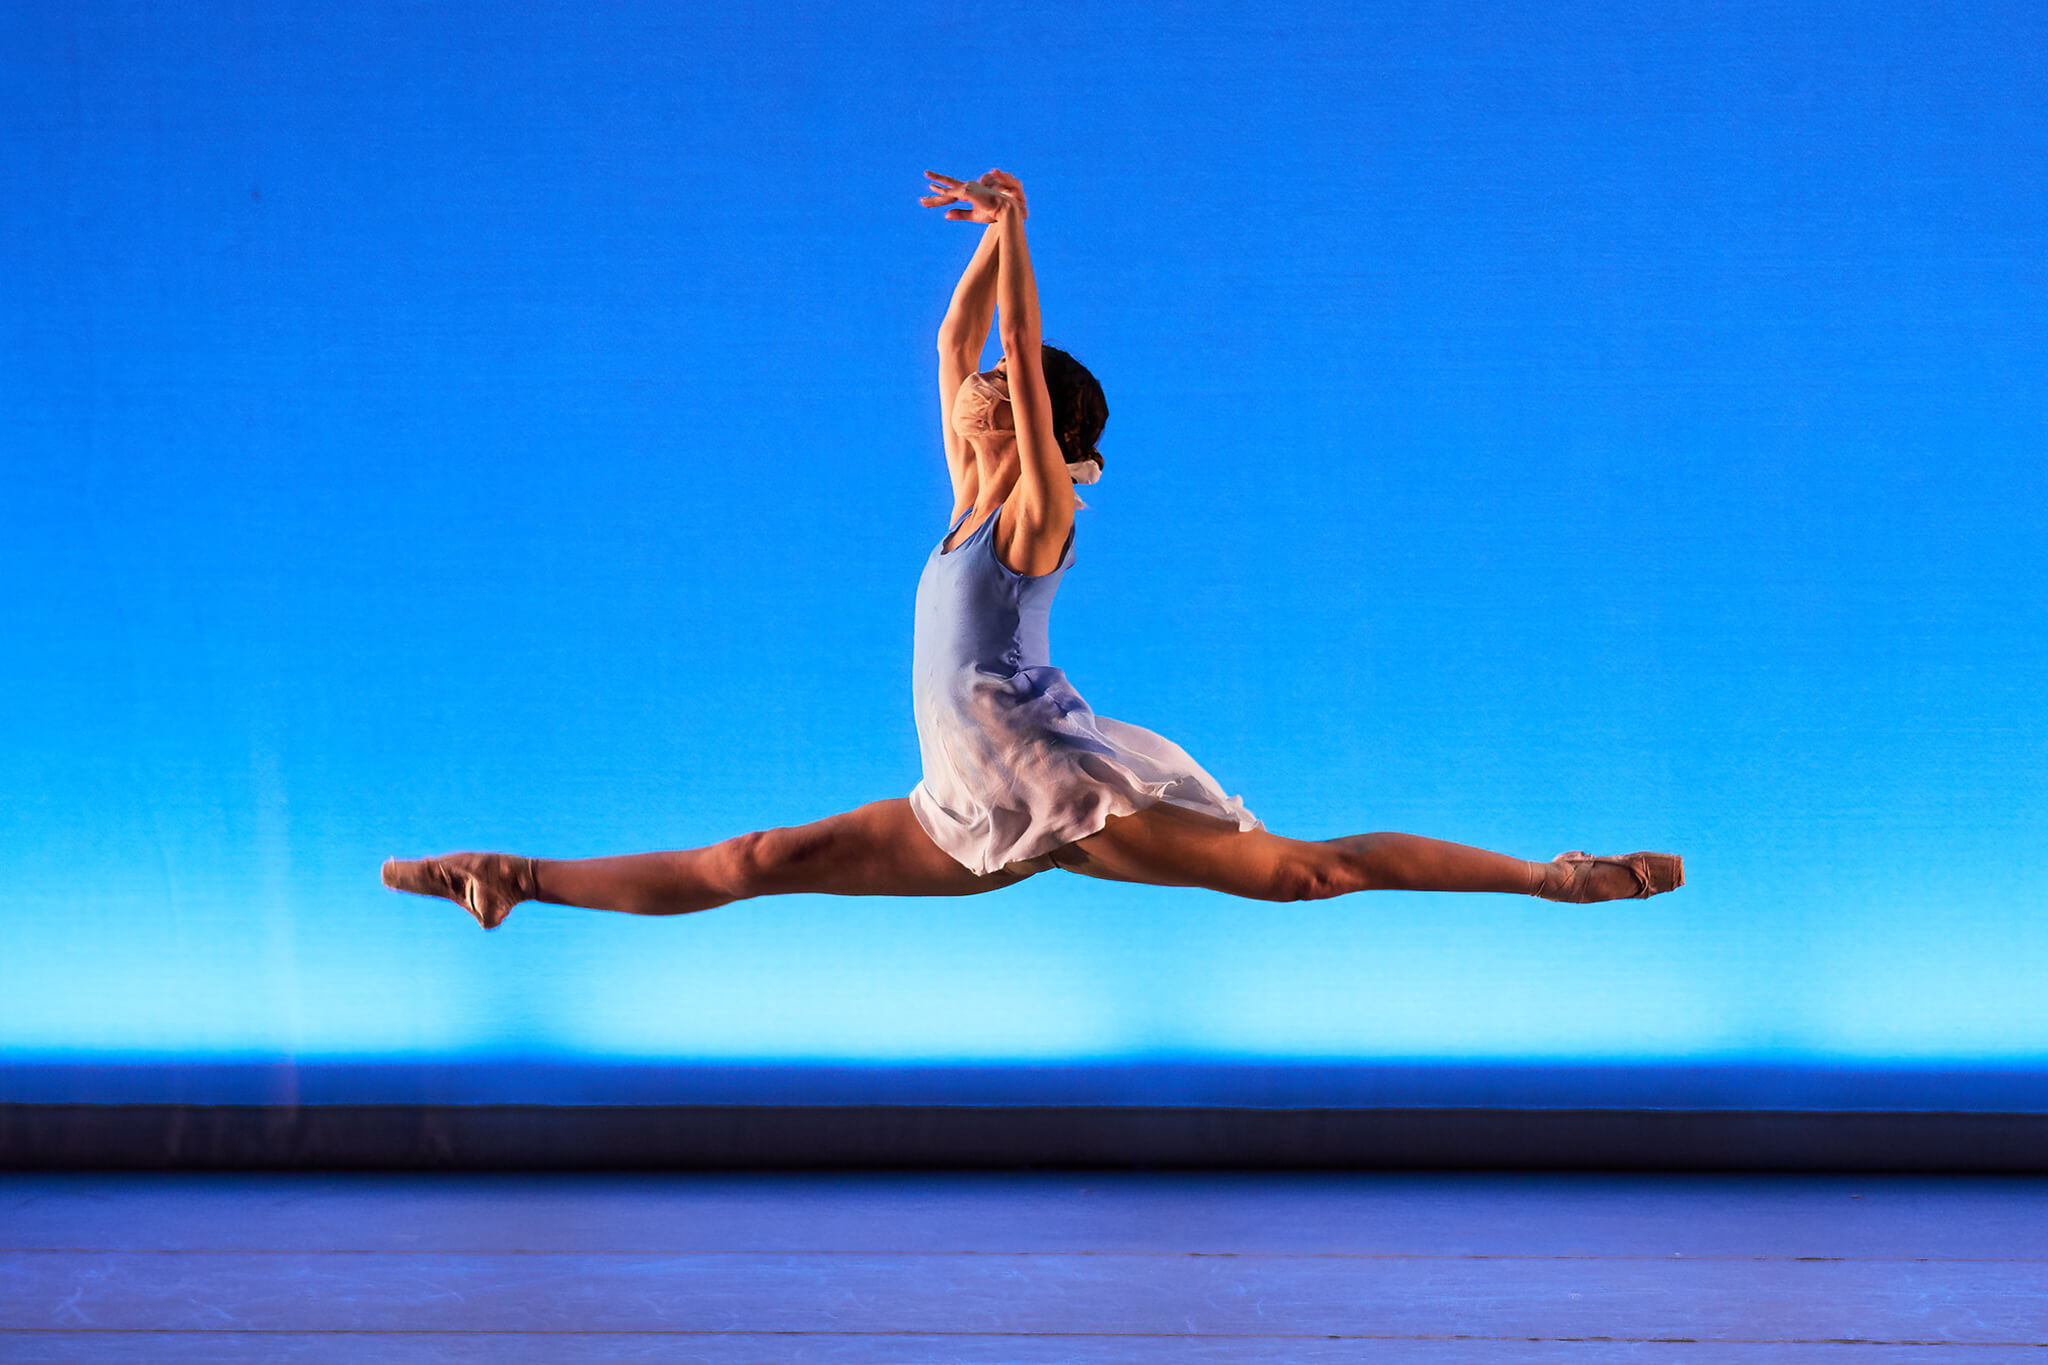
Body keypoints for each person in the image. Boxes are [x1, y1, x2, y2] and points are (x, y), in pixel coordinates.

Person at [382, 167, 1681, 930]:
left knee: (1307, 872)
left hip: (1062, 791)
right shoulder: (964, 496)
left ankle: (1553, 877)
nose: (968, 392)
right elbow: (960, 344)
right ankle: (514, 875)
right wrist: (989, 246)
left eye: (997, 392)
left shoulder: (1033, 519)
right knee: (757, 860)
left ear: (1038, 425)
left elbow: (1004, 347)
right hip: (963, 804)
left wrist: (1020, 238)